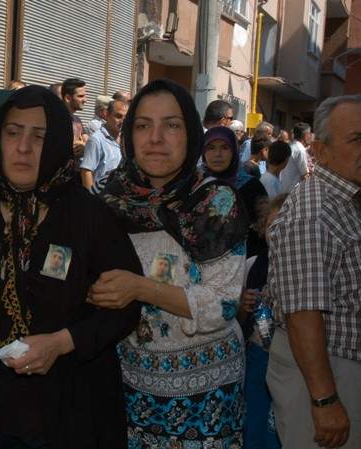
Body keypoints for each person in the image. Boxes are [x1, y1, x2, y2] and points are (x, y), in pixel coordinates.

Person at [0, 85, 140, 448]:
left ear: (58, 142)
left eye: (39, 136)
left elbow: (126, 309)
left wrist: (63, 342)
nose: (23, 148)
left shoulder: (88, 215)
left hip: (67, 414)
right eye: (13, 133)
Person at [88, 78, 248, 448]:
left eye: (172, 125)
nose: (156, 138)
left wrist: (140, 288)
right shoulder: (110, 197)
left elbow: (223, 305)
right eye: (143, 125)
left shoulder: (215, 203)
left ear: (191, 134)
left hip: (204, 397)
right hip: (125, 387)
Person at [266, 95, 361, 449]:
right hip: (327, 374)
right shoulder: (314, 212)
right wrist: (325, 400)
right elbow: (303, 314)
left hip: (347, 370)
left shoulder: (354, 198)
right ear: (321, 151)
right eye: (358, 139)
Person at [237, 193, 288, 449]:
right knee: (254, 418)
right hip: (257, 356)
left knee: (277, 424)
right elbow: (239, 319)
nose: (275, 232)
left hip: (287, 357)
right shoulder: (253, 265)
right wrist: (244, 305)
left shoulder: (300, 268)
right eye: (270, 226)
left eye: (283, 226)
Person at [203, 125, 268, 257]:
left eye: (225, 148)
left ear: (234, 150)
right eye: (211, 148)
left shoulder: (252, 186)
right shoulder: (196, 186)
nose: (217, 154)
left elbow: (262, 230)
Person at [80, 99, 129, 189]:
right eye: (118, 116)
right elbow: (86, 172)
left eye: (126, 117)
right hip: (101, 195)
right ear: (107, 114)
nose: (122, 121)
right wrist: (91, 196)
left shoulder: (124, 139)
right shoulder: (96, 140)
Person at [279, 122, 311, 193]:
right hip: (294, 191)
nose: (310, 136)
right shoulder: (300, 150)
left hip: (284, 189)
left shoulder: (291, 147)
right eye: (309, 134)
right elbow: (305, 175)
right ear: (305, 135)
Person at [61, 77, 88, 159]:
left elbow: (89, 142)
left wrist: (84, 146)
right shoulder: (55, 119)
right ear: (67, 98)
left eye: (84, 96)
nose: (85, 100)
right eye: (80, 96)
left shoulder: (77, 119)